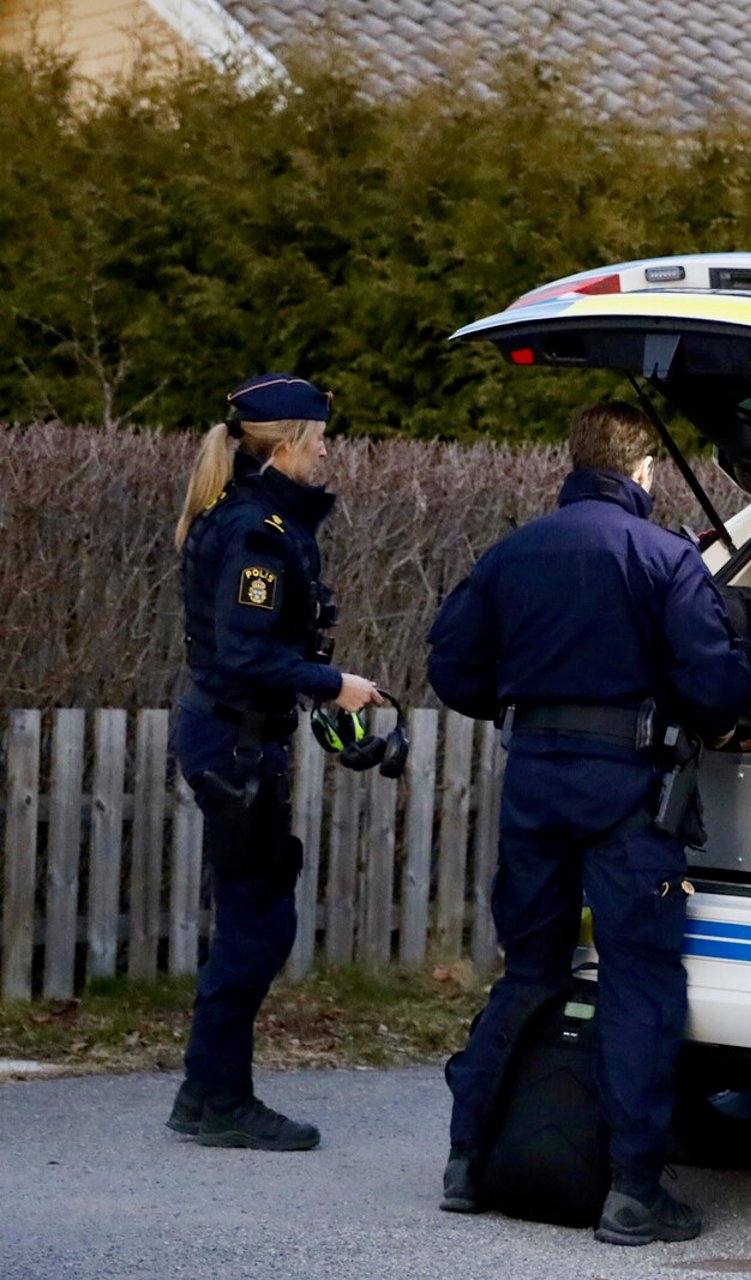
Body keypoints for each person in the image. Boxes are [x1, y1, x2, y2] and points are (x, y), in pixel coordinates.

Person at [428, 401, 751, 1246]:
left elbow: (455, 674)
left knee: (528, 974)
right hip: (630, 796)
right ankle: (634, 1192)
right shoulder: (665, 558)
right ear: (643, 470)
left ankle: (467, 1161)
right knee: (639, 984)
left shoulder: (512, 554)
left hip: (535, 782)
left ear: (574, 461)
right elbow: (717, 688)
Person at [168, 373, 384, 1150]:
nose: (327, 448)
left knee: (253, 914)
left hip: (234, 735)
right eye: (320, 436)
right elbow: (246, 649)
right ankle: (218, 1100)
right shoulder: (259, 531)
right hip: (236, 743)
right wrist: (336, 686)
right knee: (256, 924)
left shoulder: (249, 519)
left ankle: (206, 1092)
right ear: (288, 442)